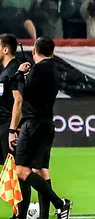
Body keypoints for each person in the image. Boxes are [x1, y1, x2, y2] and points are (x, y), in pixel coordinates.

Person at [12, 37, 70, 219]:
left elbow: (25, 93)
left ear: (35, 51)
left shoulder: (38, 69)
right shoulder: (55, 69)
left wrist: (20, 75)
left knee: (21, 170)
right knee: (41, 170)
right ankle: (44, 216)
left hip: (33, 124)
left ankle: (60, 203)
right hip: (47, 123)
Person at [0, 35, 27, 217]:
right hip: (2, 125)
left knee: (18, 172)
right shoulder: (4, 71)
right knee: (9, 170)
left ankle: (21, 214)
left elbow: (19, 102)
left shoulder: (13, 71)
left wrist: (12, 130)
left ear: (5, 49)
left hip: (8, 127)